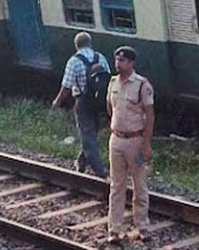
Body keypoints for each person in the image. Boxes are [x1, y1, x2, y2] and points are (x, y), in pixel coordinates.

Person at [106, 46, 154, 244]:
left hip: (136, 141)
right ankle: (114, 229)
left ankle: (142, 227)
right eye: (117, 60)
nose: (118, 64)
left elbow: (150, 116)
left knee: (139, 185)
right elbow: (110, 108)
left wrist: (147, 144)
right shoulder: (112, 83)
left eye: (123, 61)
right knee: (116, 186)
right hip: (116, 140)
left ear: (131, 63)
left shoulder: (142, 85)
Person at [51, 31, 110, 178]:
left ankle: (100, 171)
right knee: (92, 132)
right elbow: (108, 78)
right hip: (100, 101)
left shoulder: (74, 61)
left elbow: (67, 86)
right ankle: (81, 162)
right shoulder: (100, 57)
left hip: (83, 101)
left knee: (88, 135)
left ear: (76, 45)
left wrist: (57, 102)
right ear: (90, 43)